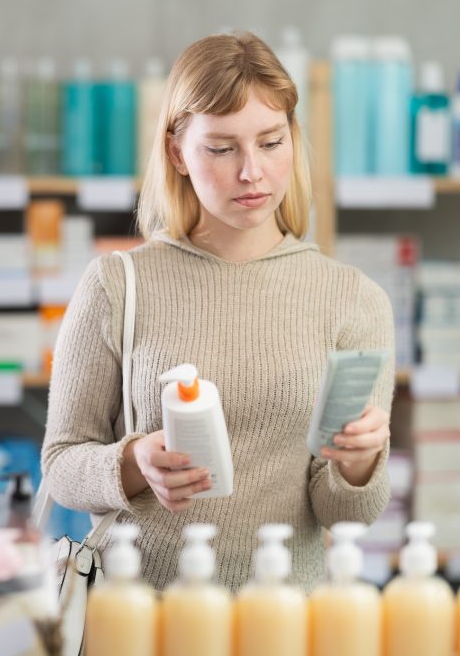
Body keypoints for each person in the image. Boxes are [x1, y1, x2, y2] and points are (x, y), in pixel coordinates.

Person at [40, 32, 395, 593]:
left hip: (282, 620)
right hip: (137, 616)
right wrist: (134, 464)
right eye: (222, 148)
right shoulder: (118, 284)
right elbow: (61, 464)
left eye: (271, 142)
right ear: (178, 152)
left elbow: (345, 515)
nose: (251, 172)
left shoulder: (352, 300)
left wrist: (359, 464)